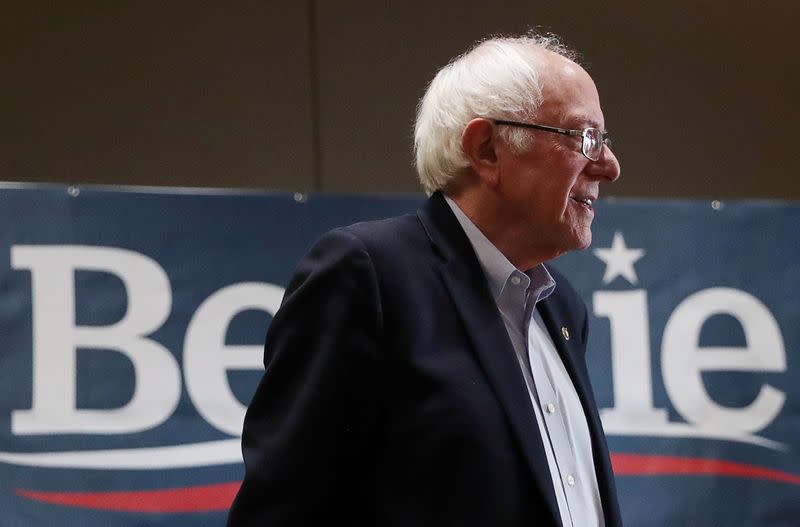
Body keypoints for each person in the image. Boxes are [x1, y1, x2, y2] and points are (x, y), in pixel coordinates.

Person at [228, 32, 622, 526]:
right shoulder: (367, 276)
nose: (609, 165)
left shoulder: (562, 309)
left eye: (604, 142)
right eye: (584, 137)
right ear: (486, 149)